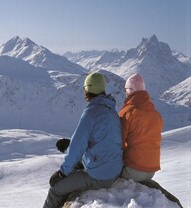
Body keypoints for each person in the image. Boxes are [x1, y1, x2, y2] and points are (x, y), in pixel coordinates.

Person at [43, 72, 123, 208]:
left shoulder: (91, 113)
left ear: (88, 89)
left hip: (100, 175)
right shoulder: (111, 110)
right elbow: (101, 141)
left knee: (56, 189)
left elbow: (77, 146)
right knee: (78, 164)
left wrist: (62, 173)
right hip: (114, 169)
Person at [119, 73, 163, 182]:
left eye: (126, 90)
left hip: (132, 170)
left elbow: (117, 141)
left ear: (130, 90)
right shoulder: (156, 114)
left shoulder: (127, 112)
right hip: (151, 171)